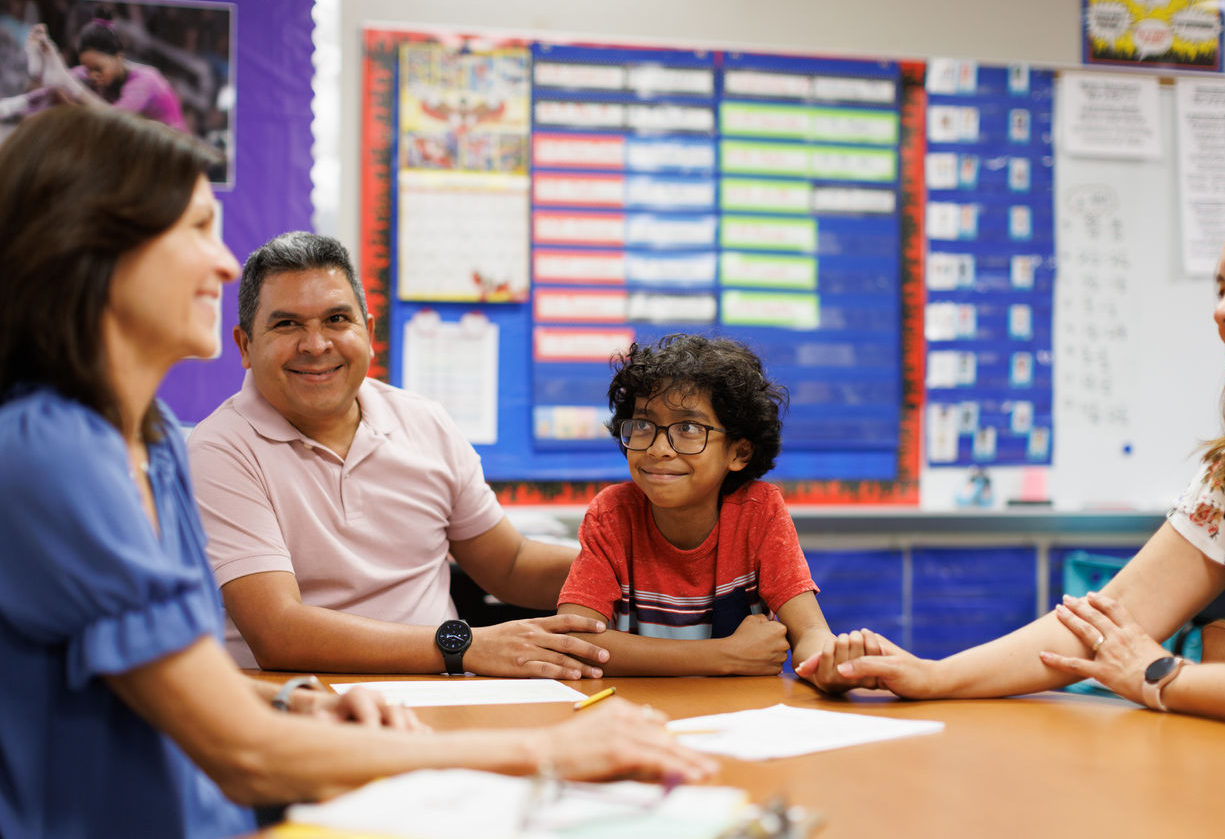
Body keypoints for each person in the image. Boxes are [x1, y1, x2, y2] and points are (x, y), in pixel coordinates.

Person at [0, 105, 714, 838]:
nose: (221, 262)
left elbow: (191, 689)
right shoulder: (53, 456)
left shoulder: (151, 444)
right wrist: (547, 750)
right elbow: (242, 751)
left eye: (337, 320)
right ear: (88, 249)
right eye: (194, 228)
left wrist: (294, 705)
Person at [801, 187, 1225, 727]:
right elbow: (1106, 619)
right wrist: (933, 676)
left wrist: (1165, 677)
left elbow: (1139, 659)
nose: (1222, 309)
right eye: (1218, 288)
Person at [187, 231, 613, 678]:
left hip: (447, 700)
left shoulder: (424, 422)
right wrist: (463, 646)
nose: (316, 345)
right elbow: (277, 633)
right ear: (244, 346)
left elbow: (509, 564)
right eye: (287, 324)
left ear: (368, 333)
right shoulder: (220, 448)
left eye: (336, 319)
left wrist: (633, 564)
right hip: (307, 712)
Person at [556, 334, 864, 694]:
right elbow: (573, 639)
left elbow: (811, 632)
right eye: (642, 425)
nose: (658, 449)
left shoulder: (758, 512)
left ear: (739, 452)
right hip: (635, 720)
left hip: (737, 723)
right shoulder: (612, 514)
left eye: (688, 429)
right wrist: (724, 655)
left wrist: (831, 663)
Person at [6, 11, 188, 132]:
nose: (92, 75)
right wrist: (10, 106)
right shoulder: (92, 75)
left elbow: (114, 120)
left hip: (174, 161)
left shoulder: (146, 80)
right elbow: (52, 88)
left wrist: (68, 83)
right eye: (88, 69)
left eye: (98, 69)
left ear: (119, 57)